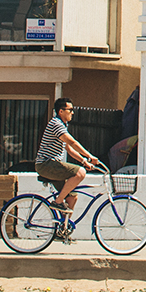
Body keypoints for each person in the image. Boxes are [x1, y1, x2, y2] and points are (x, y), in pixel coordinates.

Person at [36, 97, 101, 237]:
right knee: (80, 173)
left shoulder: (62, 125)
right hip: (46, 164)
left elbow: (68, 149)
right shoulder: (56, 123)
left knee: (72, 197)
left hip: (52, 165)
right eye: (70, 110)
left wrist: (84, 161)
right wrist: (90, 156)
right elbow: (72, 142)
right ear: (61, 111)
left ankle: (62, 230)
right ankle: (58, 201)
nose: (72, 113)